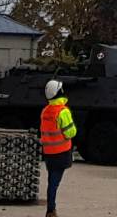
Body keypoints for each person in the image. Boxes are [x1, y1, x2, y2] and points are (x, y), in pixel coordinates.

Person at [39, 78, 76, 217]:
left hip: (49, 152)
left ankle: (51, 208)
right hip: (61, 152)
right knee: (54, 182)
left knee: (51, 181)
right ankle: (51, 210)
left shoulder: (46, 111)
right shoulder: (63, 111)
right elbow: (70, 132)